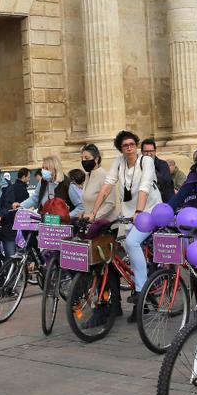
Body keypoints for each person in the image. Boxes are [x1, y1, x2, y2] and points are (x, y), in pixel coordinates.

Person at [85, 130, 161, 317]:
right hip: (128, 214)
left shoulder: (146, 161)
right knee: (128, 254)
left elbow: (144, 187)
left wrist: (138, 212)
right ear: (121, 148)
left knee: (132, 243)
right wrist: (93, 211)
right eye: (125, 145)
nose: (129, 147)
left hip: (150, 211)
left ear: (136, 145)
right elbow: (107, 185)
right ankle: (139, 306)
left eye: (132, 144)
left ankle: (141, 291)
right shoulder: (119, 163)